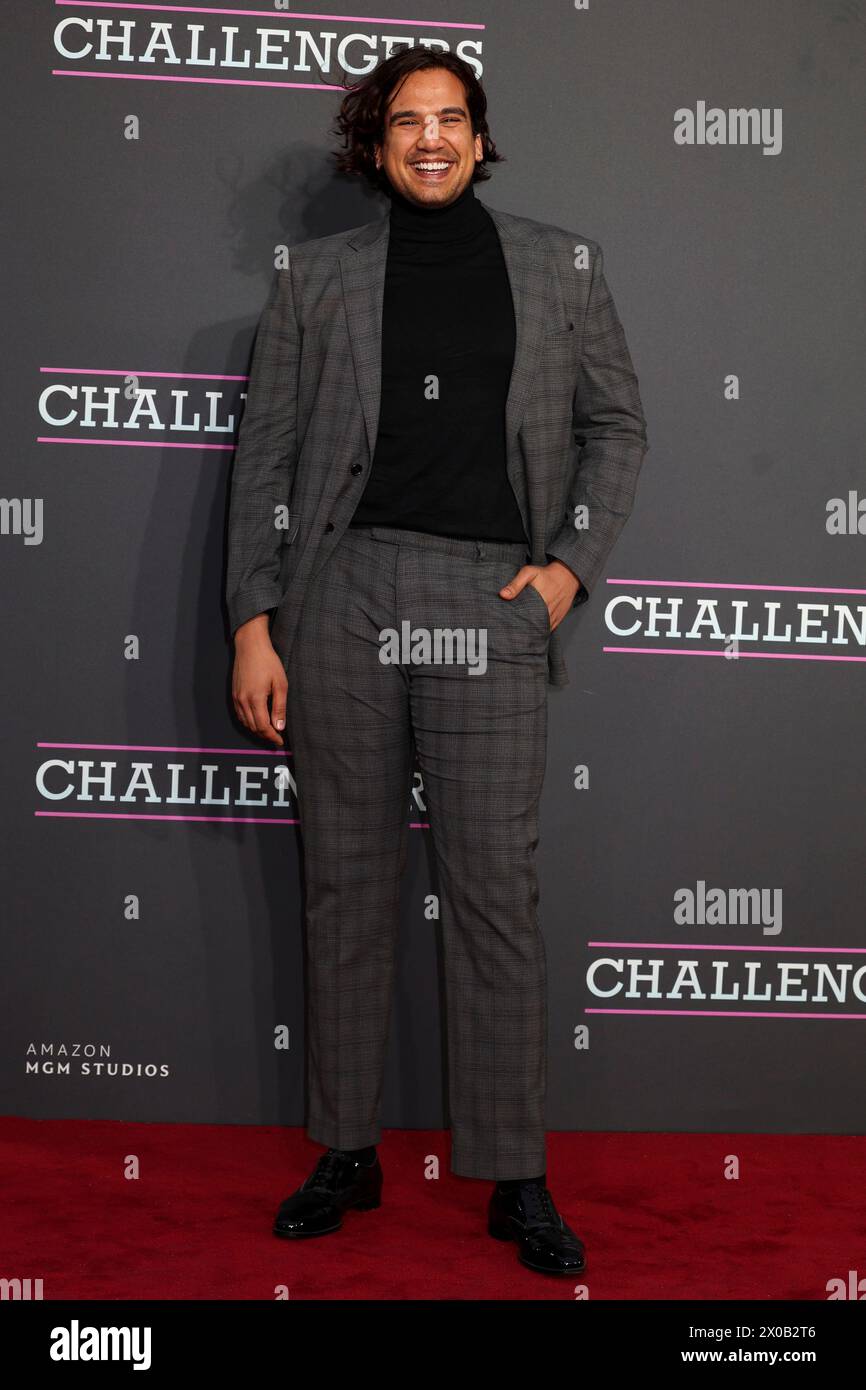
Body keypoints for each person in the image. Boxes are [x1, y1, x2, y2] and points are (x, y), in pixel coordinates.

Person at [225, 47, 648, 1276]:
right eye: (405, 122)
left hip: (492, 598)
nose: (428, 140)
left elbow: (615, 423)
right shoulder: (317, 277)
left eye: (448, 120)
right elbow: (264, 458)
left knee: (494, 898)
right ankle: (344, 1150)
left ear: (477, 136)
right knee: (344, 887)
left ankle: (515, 1176)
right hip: (341, 593)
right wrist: (254, 619)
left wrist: (566, 567)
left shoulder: (558, 266)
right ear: (375, 142)